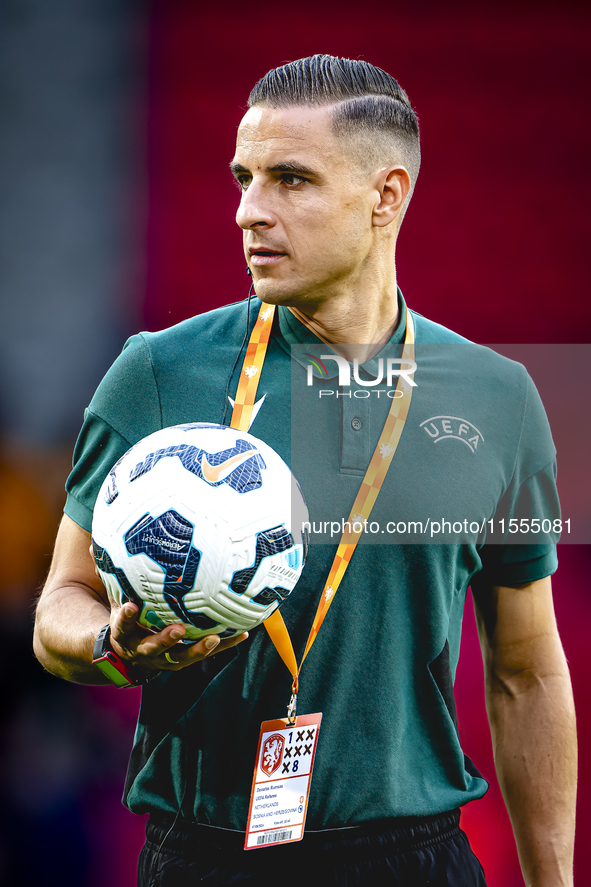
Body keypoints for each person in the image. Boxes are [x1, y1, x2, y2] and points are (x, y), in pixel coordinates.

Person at [33, 55, 576, 886]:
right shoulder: (154, 370)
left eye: (290, 180)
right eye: (243, 178)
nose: (250, 211)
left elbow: (526, 671)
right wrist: (112, 642)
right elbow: (57, 609)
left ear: (384, 196)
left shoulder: (502, 394)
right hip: (204, 855)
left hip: (411, 857)